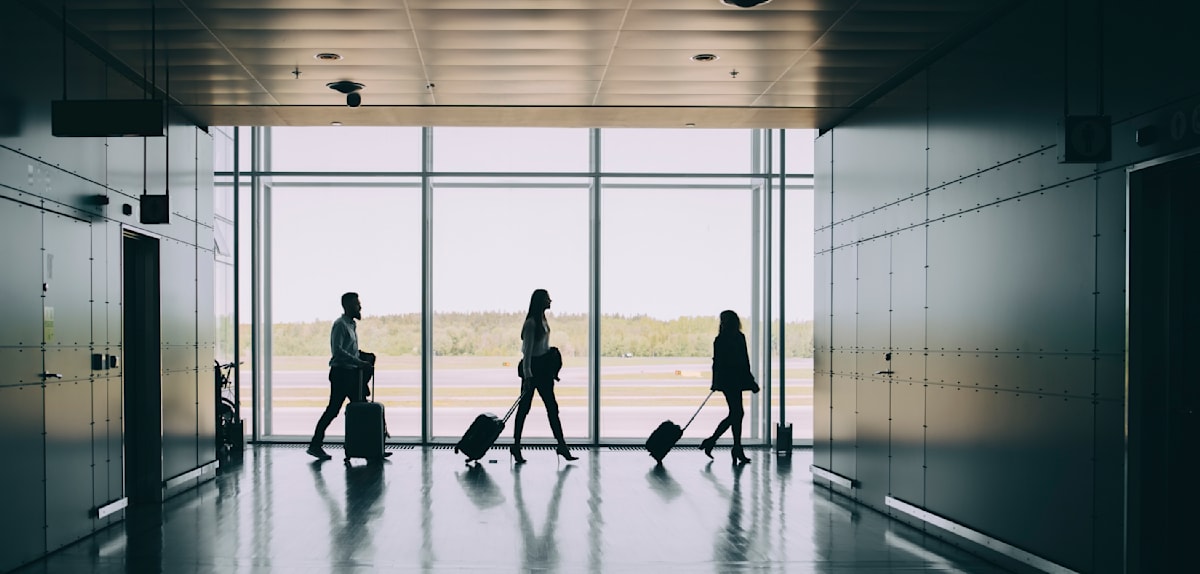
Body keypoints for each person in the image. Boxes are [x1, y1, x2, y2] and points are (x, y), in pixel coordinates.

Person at [307, 292, 389, 460]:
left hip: (351, 374)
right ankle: (315, 445)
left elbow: (350, 350)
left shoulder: (351, 325)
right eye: (356, 304)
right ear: (347, 306)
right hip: (341, 374)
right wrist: (359, 362)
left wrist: (362, 358)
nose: (360, 307)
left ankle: (370, 447)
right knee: (334, 410)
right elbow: (337, 351)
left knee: (360, 410)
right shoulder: (340, 325)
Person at [510, 289, 578, 463]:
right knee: (525, 409)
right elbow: (527, 352)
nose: (551, 301)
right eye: (548, 298)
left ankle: (561, 446)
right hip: (533, 370)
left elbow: (540, 347)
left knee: (552, 408)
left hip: (543, 369)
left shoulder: (542, 320)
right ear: (541, 301)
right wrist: (527, 377)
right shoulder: (532, 323)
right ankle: (516, 445)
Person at [700, 310, 759, 464]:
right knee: (737, 413)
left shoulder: (720, 340)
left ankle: (718, 442)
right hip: (736, 381)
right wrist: (751, 381)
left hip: (728, 381)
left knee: (736, 413)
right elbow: (744, 362)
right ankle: (733, 447)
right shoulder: (739, 338)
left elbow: (717, 363)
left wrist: (715, 382)